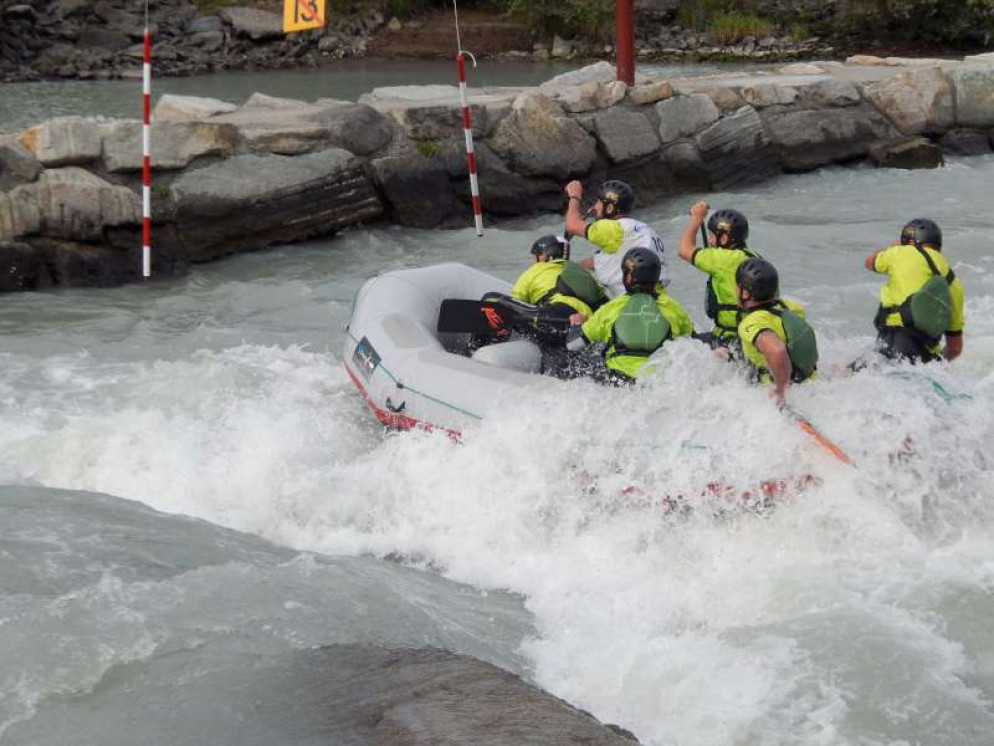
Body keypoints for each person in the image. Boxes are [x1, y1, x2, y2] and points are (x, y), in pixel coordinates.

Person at [566, 247, 693, 383]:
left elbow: (573, 344)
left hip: (618, 382)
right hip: (658, 383)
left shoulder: (612, 308)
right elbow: (692, 341)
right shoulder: (673, 308)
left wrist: (577, 324)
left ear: (628, 277)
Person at [864, 218, 964, 364]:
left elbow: (869, 262)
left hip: (892, 340)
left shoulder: (900, 252)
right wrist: (936, 366)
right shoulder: (953, 281)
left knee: (845, 372)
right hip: (925, 356)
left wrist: (894, 245)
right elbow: (955, 348)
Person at [562, 178, 669, 298]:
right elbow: (606, 261)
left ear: (609, 208)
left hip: (632, 300)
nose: (594, 207)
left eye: (598, 203)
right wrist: (572, 267)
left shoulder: (612, 228)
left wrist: (574, 196)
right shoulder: (642, 229)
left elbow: (571, 225)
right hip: (660, 298)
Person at [735, 257, 818, 403]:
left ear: (745, 293)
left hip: (773, 392)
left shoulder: (751, 323)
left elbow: (777, 350)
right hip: (810, 383)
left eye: (737, 286)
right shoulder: (790, 307)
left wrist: (780, 390)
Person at [677, 201, 757, 347]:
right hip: (749, 333)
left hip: (729, 337)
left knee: (680, 343)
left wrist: (696, 218)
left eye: (712, 236)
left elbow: (684, 250)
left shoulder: (723, 259)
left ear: (724, 239)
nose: (710, 241)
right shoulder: (752, 256)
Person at [509, 234, 600, 322]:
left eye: (537, 256)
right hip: (587, 314)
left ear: (544, 257)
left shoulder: (536, 269)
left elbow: (516, 299)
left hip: (558, 309)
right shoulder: (578, 271)